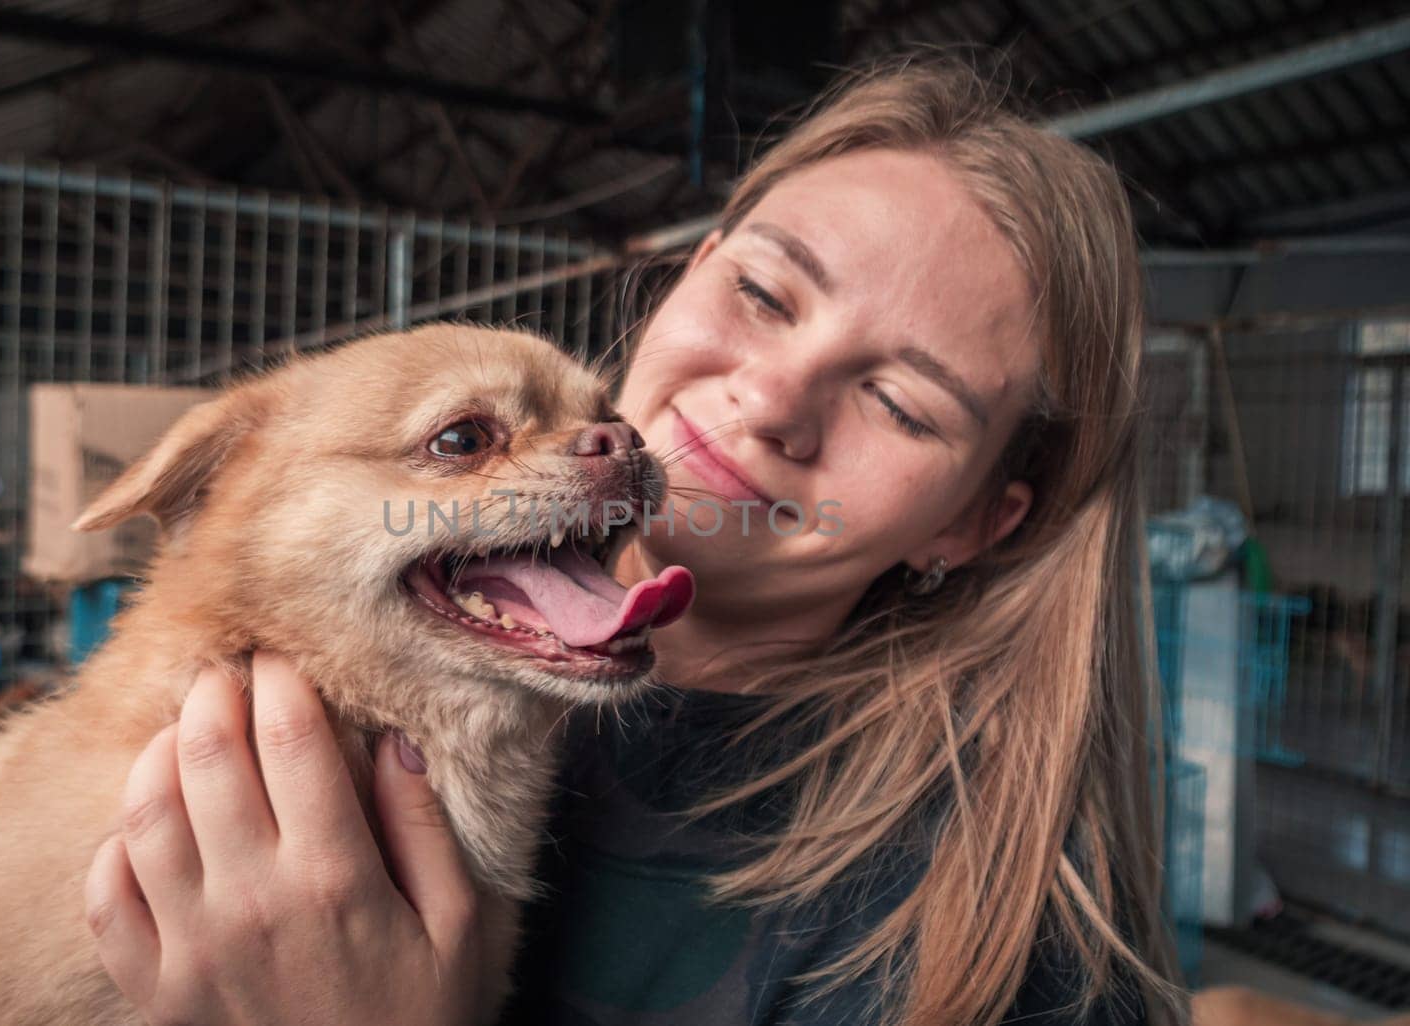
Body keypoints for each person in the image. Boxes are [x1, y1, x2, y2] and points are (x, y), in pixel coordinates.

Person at [83, 55, 1192, 1026]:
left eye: (902, 404)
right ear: (687, 275)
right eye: (761, 291)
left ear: (974, 521)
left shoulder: (1002, 958)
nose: (770, 398)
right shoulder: (388, 691)